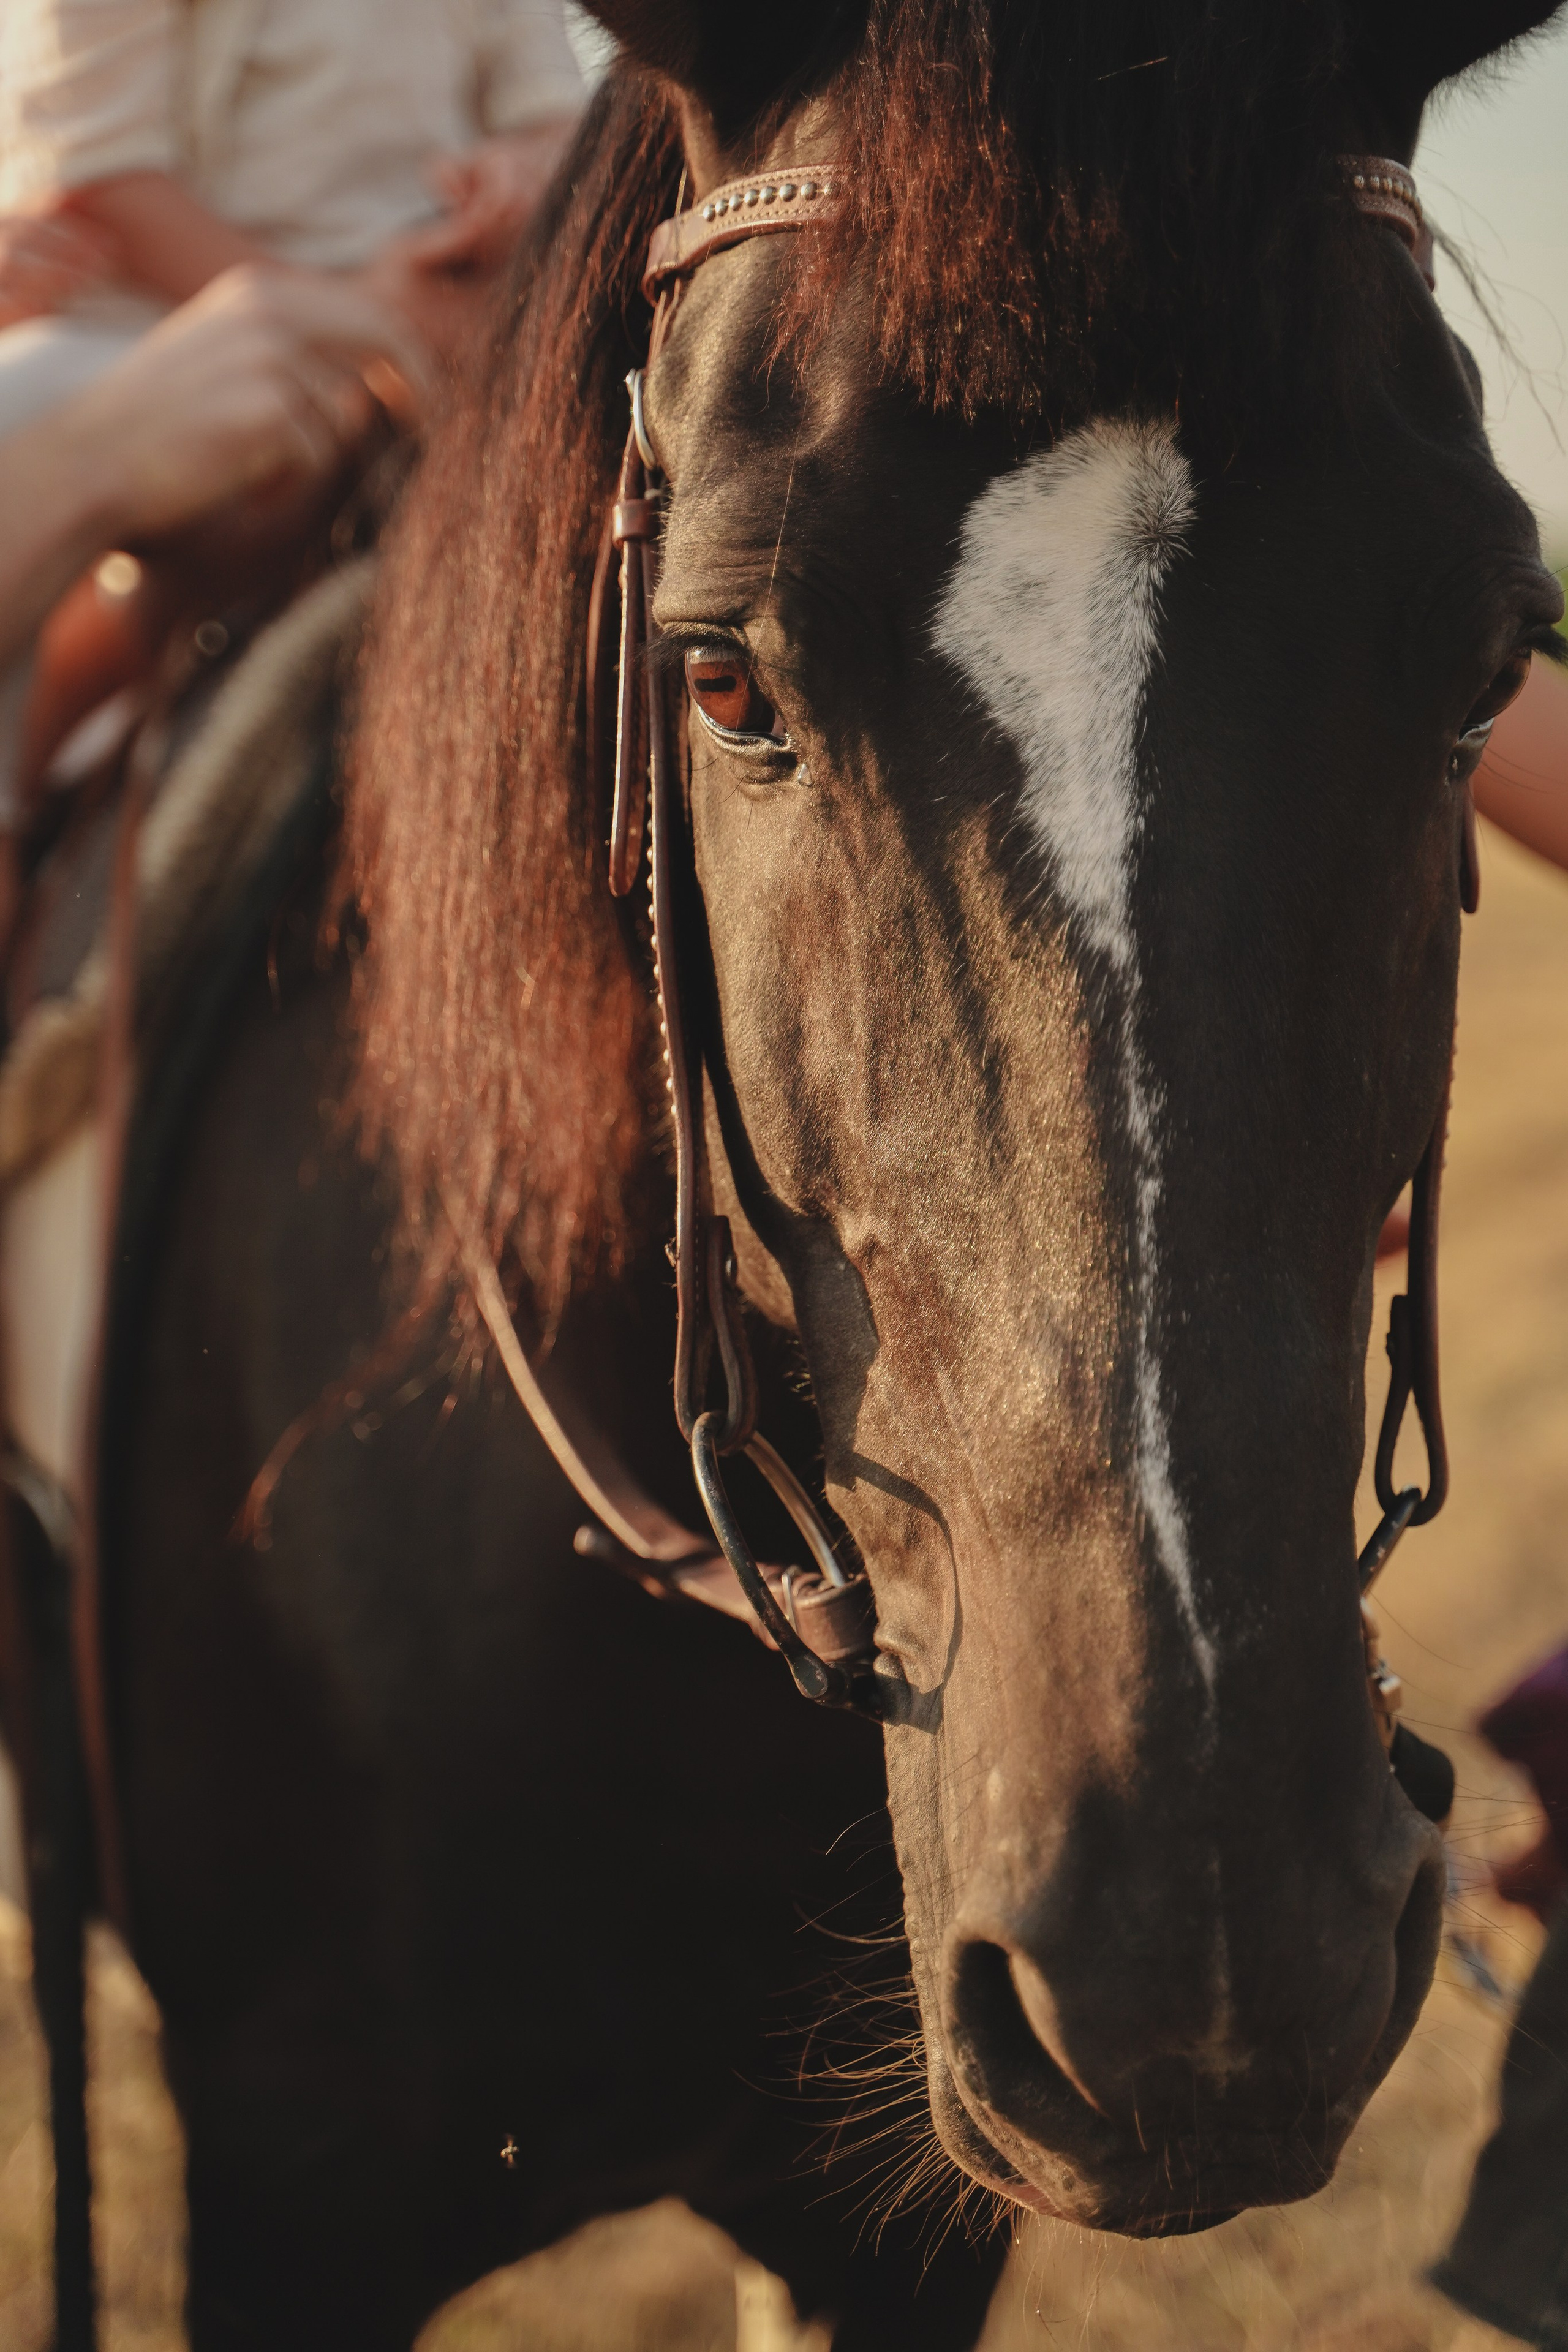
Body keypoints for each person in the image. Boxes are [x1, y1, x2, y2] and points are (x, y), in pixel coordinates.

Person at [0, 0, 587, 432]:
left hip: (448, 322)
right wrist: (364, 316)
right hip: (147, 334)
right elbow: (95, 175)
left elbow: (560, 125)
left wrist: (520, 169)